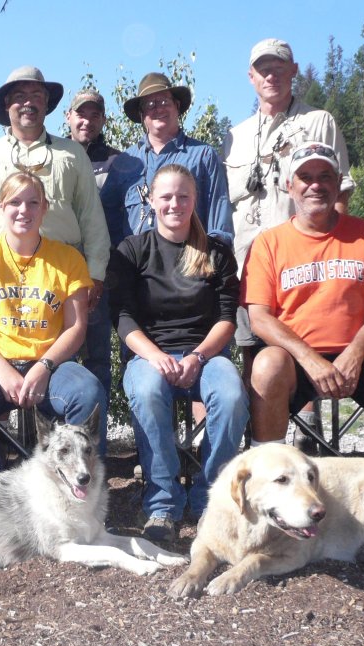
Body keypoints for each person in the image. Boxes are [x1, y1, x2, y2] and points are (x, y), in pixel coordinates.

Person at [242, 142, 364, 476]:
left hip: (360, 360)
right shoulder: (268, 243)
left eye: (325, 176)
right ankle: (267, 480)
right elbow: (259, 316)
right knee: (266, 364)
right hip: (296, 365)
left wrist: (355, 352)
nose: (315, 185)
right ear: (290, 186)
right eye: (305, 177)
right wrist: (309, 359)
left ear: (338, 183)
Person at [0, 66, 111, 397]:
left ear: (47, 103)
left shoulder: (71, 153)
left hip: (61, 279)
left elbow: (92, 217)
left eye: (36, 95)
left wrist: (94, 272)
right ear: (7, 104)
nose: (28, 103)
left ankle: (83, 448)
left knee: (87, 374)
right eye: (19, 96)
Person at [224, 38, 355, 449]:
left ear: (294, 71)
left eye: (279, 67)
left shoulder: (319, 121)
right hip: (247, 261)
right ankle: (261, 438)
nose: (271, 75)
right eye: (263, 68)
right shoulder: (234, 136)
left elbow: (341, 193)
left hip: (304, 262)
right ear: (250, 77)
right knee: (252, 349)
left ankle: (307, 435)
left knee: (306, 341)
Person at [108, 164, 248, 544]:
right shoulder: (132, 250)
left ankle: (212, 498)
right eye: (166, 196)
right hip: (150, 355)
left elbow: (226, 318)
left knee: (232, 395)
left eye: (183, 196)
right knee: (148, 390)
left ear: (194, 200)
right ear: (151, 202)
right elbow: (121, 317)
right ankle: (163, 502)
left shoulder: (216, 252)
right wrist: (155, 356)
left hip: (206, 355)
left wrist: (198, 357)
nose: (174, 204)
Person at [0, 171, 107, 477]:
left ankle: (74, 485)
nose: (24, 210)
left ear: (45, 208)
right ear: (1, 207)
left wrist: (44, 367)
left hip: (53, 365)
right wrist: (2, 370)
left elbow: (76, 327)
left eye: (33, 202)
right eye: (15, 202)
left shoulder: (69, 258)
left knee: (88, 392)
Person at [101, 72, 233, 247]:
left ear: (177, 106)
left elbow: (219, 217)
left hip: (190, 264)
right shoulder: (124, 162)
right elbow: (105, 220)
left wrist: (213, 258)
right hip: (135, 269)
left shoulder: (203, 156)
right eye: (150, 104)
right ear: (141, 114)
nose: (158, 108)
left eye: (164, 101)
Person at [64, 87, 121, 401]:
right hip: (58, 273)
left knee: (98, 356)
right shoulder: (55, 156)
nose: (87, 120)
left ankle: (95, 437)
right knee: (61, 355)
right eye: (81, 113)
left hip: (99, 272)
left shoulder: (117, 162)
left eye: (95, 114)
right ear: (68, 116)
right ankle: (60, 440)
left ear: (102, 119)